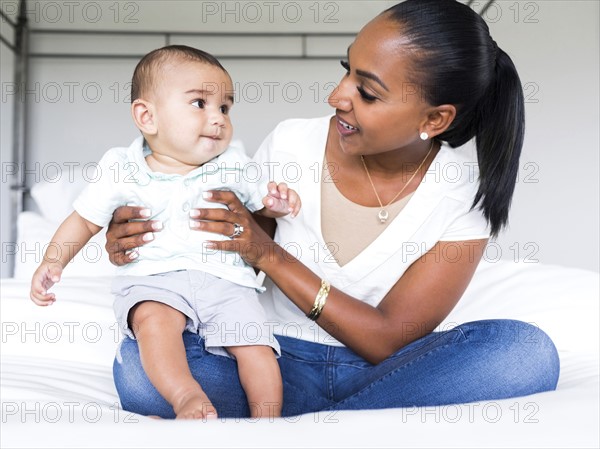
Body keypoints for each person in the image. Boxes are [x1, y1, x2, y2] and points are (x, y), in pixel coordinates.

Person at [107, 0, 560, 418]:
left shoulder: (461, 193)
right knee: (139, 370)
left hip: (387, 370)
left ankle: (322, 419)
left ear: (434, 119)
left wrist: (269, 254)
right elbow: (225, 253)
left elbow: (386, 340)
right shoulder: (291, 142)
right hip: (268, 357)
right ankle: (362, 418)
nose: (337, 96)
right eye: (347, 70)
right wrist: (149, 234)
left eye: (367, 92)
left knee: (525, 353)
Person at [30, 45, 302, 419]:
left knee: (256, 344)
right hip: (153, 280)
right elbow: (84, 220)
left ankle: (267, 423)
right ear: (147, 116)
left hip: (226, 282)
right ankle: (186, 396)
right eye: (200, 103)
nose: (218, 118)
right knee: (154, 322)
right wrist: (53, 260)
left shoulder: (234, 164)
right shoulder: (121, 168)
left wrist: (279, 203)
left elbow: (263, 206)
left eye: (225, 107)